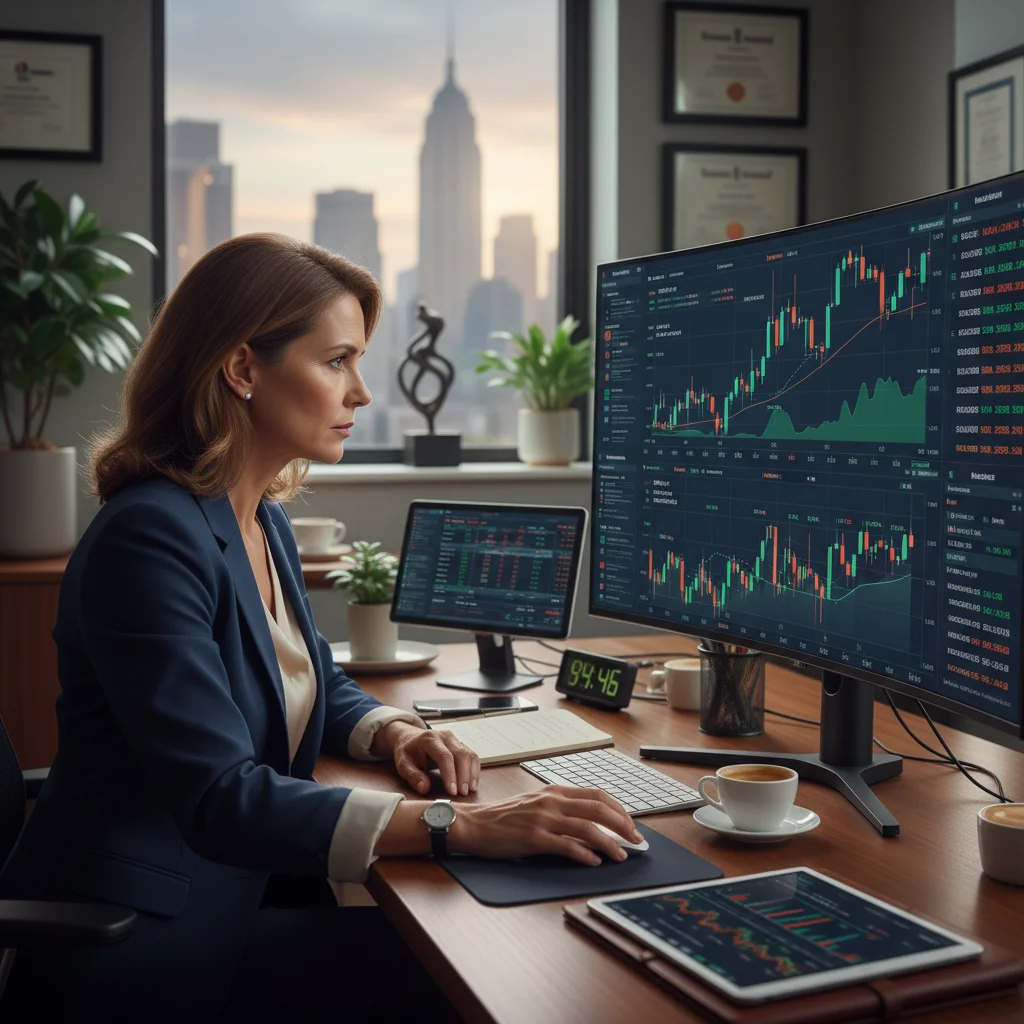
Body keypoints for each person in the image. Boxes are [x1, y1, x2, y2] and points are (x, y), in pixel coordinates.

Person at [0, 234, 641, 1022]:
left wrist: (393, 732)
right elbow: (220, 798)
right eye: (337, 361)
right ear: (241, 369)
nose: (362, 393)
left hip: (239, 898)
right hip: (140, 944)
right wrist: (463, 824)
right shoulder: (150, 537)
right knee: (496, 985)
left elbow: (304, 677)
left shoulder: (256, 516)